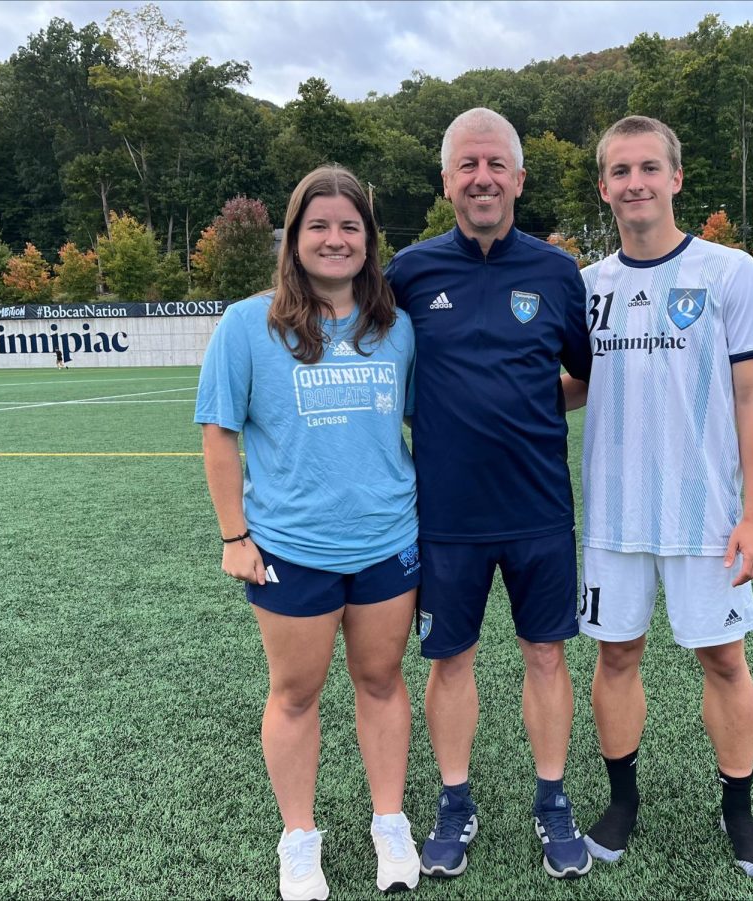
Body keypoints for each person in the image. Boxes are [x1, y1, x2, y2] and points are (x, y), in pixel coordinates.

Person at [562, 116, 753, 879]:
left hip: (704, 516)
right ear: (604, 187)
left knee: (723, 657)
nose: (635, 183)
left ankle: (739, 808)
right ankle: (622, 802)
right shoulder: (588, 286)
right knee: (616, 653)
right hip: (614, 516)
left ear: (676, 177)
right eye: (620, 172)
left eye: (649, 168)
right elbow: (572, 387)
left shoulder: (728, 272)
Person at [195, 165, 422, 899]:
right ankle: (300, 838)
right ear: (293, 238)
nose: (334, 238)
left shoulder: (396, 329)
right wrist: (235, 536)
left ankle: (389, 822)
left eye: (349, 226)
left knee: (382, 681)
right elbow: (219, 434)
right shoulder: (247, 325)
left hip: (389, 540)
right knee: (295, 692)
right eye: (318, 226)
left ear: (369, 239)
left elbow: (425, 423)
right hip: (292, 547)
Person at [384, 108, 594, 880]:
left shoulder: (556, 271)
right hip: (446, 518)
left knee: (546, 653)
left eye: (495, 164)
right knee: (451, 661)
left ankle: (552, 800)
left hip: (539, 509)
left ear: (518, 179)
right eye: (467, 165)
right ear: (446, 181)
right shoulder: (408, 273)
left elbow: (584, 374)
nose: (482, 178)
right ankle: (454, 801)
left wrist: (531, 407)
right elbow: (384, 376)